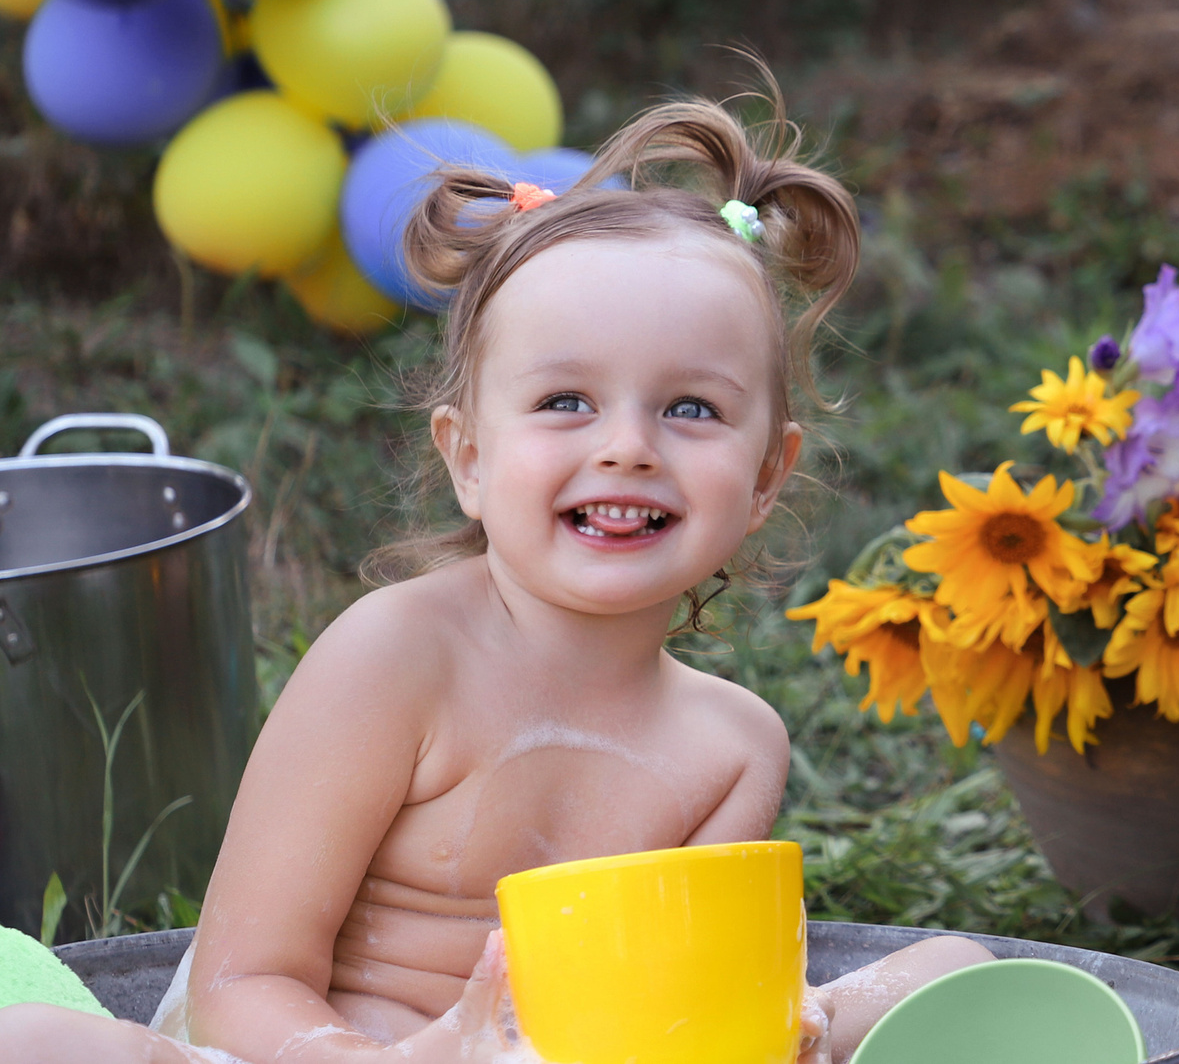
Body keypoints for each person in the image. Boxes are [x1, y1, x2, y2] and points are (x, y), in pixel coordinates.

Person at [0, 97, 989, 1063]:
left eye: (691, 409)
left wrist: (781, 1028)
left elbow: (670, 1017)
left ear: (768, 473)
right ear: (468, 456)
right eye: (566, 400)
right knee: (32, 1036)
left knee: (956, 965)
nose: (628, 449)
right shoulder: (398, 657)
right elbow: (237, 987)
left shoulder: (732, 748)